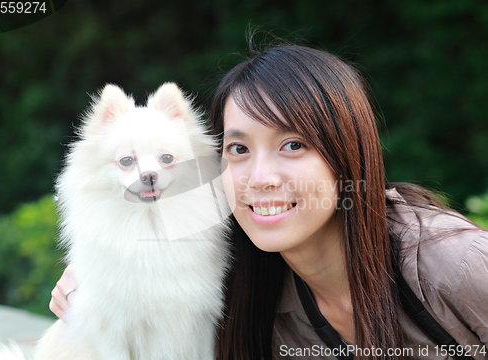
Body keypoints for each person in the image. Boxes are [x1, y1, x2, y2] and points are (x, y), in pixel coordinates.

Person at [50, 45, 488, 360]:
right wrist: (95, 280)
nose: (259, 179)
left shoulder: (454, 265)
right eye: (238, 150)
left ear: (347, 152)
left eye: (293, 144)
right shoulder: (248, 284)